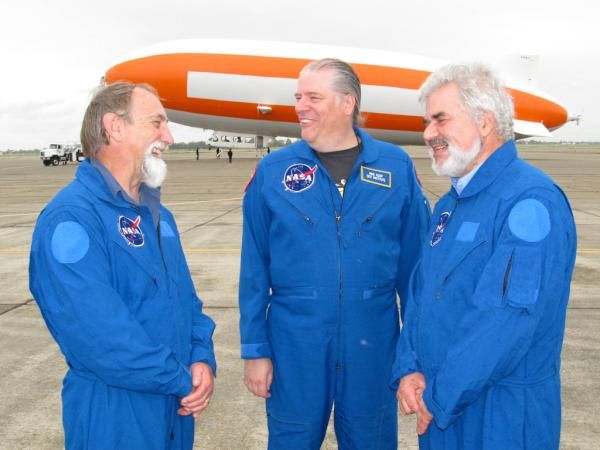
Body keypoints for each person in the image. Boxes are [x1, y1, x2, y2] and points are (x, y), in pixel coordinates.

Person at [239, 58, 430, 449]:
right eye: (298, 97)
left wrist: (415, 354)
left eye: (313, 97)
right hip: (295, 346)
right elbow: (254, 268)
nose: (300, 106)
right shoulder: (274, 170)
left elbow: (416, 273)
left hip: (374, 346)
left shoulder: (395, 167)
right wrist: (255, 350)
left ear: (347, 103)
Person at [392, 63, 577, 449]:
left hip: (501, 417)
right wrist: (408, 368)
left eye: (440, 120)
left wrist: (439, 397)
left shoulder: (530, 202)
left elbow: (504, 323)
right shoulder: (449, 205)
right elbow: (421, 292)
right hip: (442, 407)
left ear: (484, 122)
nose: (428, 134)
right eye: (427, 122)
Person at [29, 82, 217, 450]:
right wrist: (181, 379)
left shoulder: (159, 218)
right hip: (114, 412)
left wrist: (202, 359)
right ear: (115, 128)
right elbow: (99, 336)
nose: (169, 136)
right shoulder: (71, 219)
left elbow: (188, 303)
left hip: (174, 405)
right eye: (156, 123)